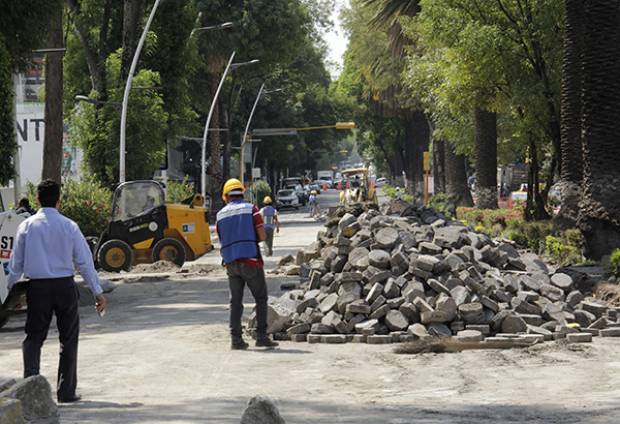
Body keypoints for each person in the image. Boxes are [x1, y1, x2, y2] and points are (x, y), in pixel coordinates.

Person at [7, 180, 107, 403]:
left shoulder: (27, 226)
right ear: (59, 200)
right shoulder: (69, 226)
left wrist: (11, 294)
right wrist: (97, 292)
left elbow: (16, 264)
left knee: (33, 339)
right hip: (64, 287)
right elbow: (84, 262)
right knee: (68, 339)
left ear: (37, 200)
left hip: (38, 288)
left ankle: (31, 392)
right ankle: (66, 392)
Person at [216, 179, 278, 350]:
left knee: (235, 302)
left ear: (226, 196)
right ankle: (261, 337)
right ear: (242, 192)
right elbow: (262, 235)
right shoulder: (252, 209)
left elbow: (222, 239)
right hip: (250, 260)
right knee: (260, 298)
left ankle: (236, 340)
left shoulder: (220, 215)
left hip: (230, 263)